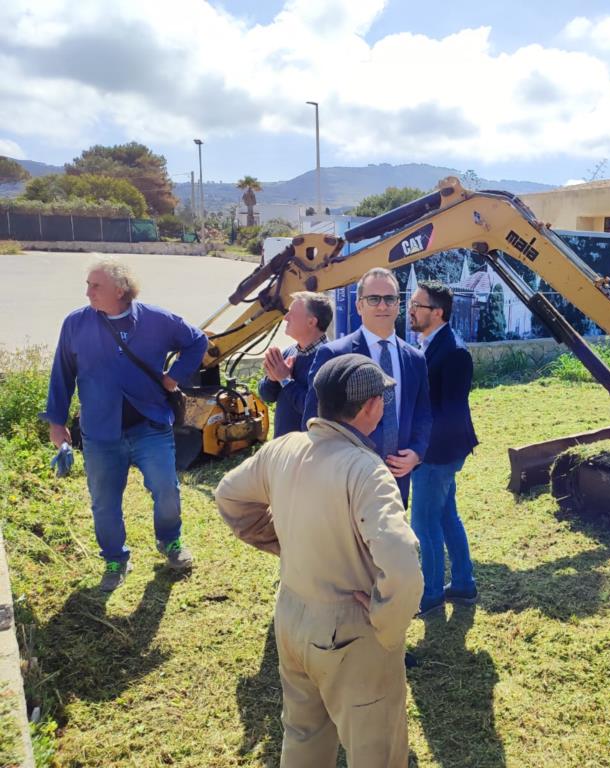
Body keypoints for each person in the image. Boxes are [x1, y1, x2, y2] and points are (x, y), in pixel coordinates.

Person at [216, 354, 423, 768]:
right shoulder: (366, 470)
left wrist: (283, 541)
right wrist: (387, 624)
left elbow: (228, 495)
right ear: (371, 407)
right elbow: (402, 567)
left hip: (291, 617)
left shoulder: (284, 447)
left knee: (303, 737)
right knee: (375, 751)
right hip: (352, 631)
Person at [42, 259, 207, 591]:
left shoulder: (157, 320)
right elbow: (62, 373)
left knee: (166, 489)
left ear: (120, 289)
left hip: (150, 425)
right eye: (87, 284)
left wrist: (174, 376)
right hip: (100, 433)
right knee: (104, 501)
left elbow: (197, 341)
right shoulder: (76, 323)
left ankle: (170, 542)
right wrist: (57, 422)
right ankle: (115, 560)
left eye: (95, 285)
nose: (87, 291)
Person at [303, 268, 431, 506]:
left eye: (389, 299)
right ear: (359, 305)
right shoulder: (333, 354)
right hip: (347, 480)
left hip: (397, 480)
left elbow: (423, 413)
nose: (382, 306)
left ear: (398, 304)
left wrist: (416, 453)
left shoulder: (415, 359)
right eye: (373, 299)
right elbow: (312, 420)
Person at [407, 280, 480, 615]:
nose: (410, 309)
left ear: (437, 312)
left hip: (438, 453)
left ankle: (432, 594)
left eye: (417, 305)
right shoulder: (430, 343)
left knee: (424, 523)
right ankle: (463, 584)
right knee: (446, 516)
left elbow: (448, 413)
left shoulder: (453, 352)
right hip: (436, 452)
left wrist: (421, 451)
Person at [258, 291, 332, 437]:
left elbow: (314, 409)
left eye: (292, 314)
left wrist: (285, 379)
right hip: (283, 447)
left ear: (312, 322)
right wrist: (272, 379)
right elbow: (267, 396)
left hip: (307, 451)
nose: (285, 318)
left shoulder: (328, 359)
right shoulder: (289, 352)